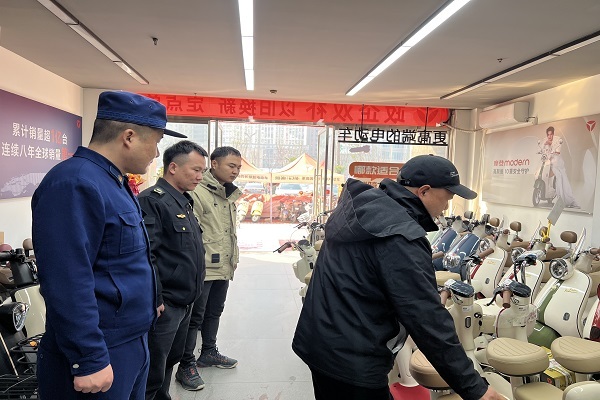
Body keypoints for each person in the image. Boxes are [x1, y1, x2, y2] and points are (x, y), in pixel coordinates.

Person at [292, 154, 504, 400]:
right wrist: (475, 388)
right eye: (447, 197)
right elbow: (427, 319)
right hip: (352, 358)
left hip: (321, 340)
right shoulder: (401, 236)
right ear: (424, 191)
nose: (446, 207)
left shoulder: (362, 211)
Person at [31, 91, 186, 399]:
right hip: (101, 346)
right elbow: (67, 279)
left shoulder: (112, 181)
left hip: (131, 338)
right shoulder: (76, 182)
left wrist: (151, 299)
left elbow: (128, 258)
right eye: (155, 142)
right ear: (129, 137)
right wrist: (88, 357)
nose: (157, 153)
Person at [138, 141, 208, 400]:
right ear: (173, 168)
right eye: (196, 170)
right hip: (165, 304)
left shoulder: (182, 201)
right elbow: (147, 255)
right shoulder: (152, 201)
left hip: (184, 301)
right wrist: (156, 297)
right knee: (153, 370)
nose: (200, 177)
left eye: (202, 171)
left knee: (170, 360)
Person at [175, 146, 242, 391]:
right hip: (203, 266)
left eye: (238, 167)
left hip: (222, 263)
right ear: (214, 164)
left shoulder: (227, 193)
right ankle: (186, 365)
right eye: (231, 166)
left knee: (215, 311)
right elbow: (192, 234)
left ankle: (209, 352)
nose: (235, 171)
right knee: (195, 318)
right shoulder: (198, 191)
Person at [542, 126, 579, 208]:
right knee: (557, 180)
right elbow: (544, 152)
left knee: (564, 181)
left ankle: (567, 200)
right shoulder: (546, 141)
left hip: (559, 164)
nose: (549, 136)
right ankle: (559, 199)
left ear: (553, 134)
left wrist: (550, 146)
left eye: (551, 134)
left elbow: (558, 151)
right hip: (551, 165)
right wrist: (545, 148)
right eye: (548, 135)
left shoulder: (558, 140)